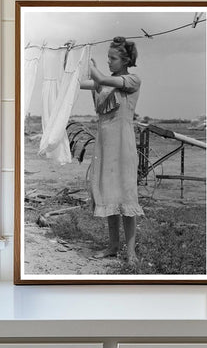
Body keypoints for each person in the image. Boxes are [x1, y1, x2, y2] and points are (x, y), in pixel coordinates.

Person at [80, 36, 143, 266]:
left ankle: (131, 251)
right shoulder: (106, 82)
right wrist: (71, 59)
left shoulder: (132, 80)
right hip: (105, 144)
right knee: (109, 193)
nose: (109, 61)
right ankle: (114, 246)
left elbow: (98, 77)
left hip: (123, 144)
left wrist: (90, 64)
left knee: (126, 194)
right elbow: (81, 82)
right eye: (107, 58)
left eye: (113, 58)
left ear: (125, 60)